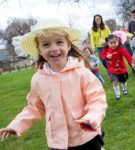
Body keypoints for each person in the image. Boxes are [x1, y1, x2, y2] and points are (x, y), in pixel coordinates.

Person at [0, 18, 107, 150]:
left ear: (68, 45)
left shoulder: (82, 73)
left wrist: (92, 117)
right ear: (39, 50)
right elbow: (35, 107)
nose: (54, 48)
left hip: (85, 136)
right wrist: (16, 124)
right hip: (57, 141)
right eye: (46, 44)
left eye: (59, 42)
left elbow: (97, 99)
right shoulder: (38, 79)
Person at [100, 34, 134, 100]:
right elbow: (102, 56)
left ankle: (124, 89)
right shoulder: (106, 49)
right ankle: (117, 94)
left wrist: (132, 62)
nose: (113, 44)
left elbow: (127, 55)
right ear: (108, 43)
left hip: (121, 69)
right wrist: (106, 57)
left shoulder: (121, 48)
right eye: (111, 43)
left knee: (123, 81)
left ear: (118, 41)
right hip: (112, 70)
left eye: (115, 42)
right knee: (114, 81)